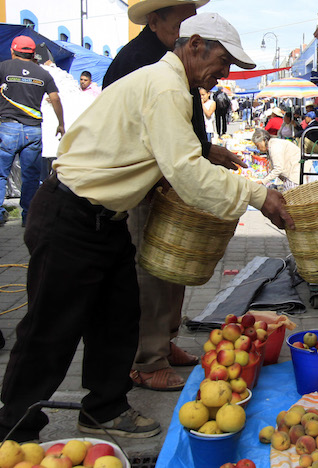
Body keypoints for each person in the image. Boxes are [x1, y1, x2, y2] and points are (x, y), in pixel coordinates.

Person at [0, 12, 294, 443]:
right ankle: (15, 429)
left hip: (106, 218)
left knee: (118, 318)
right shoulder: (164, 86)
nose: (224, 75)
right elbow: (186, 171)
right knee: (51, 328)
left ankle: (103, 409)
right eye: (223, 62)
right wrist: (258, 196)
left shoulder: (173, 84)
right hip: (71, 214)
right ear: (195, 45)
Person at [103, 0, 247, 393]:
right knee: (151, 270)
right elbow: (150, 140)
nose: (188, 24)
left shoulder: (177, 65)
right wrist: (255, 196)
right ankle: (147, 360)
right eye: (182, 19)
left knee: (173, 267)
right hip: (143, 187)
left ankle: (164, 342)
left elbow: (183, 133)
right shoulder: (143, 62)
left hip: (167, 180)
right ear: (156, 20)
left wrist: (207, 149)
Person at [0, 36, 65, 227]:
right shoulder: (43, 73)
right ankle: (28, 217)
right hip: (33, 131)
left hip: (7, 128)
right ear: (32, 54)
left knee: (1, 174)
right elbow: (55, 99)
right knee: (30, 177)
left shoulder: (3, 67)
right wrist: (61, 124)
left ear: (13, 51)